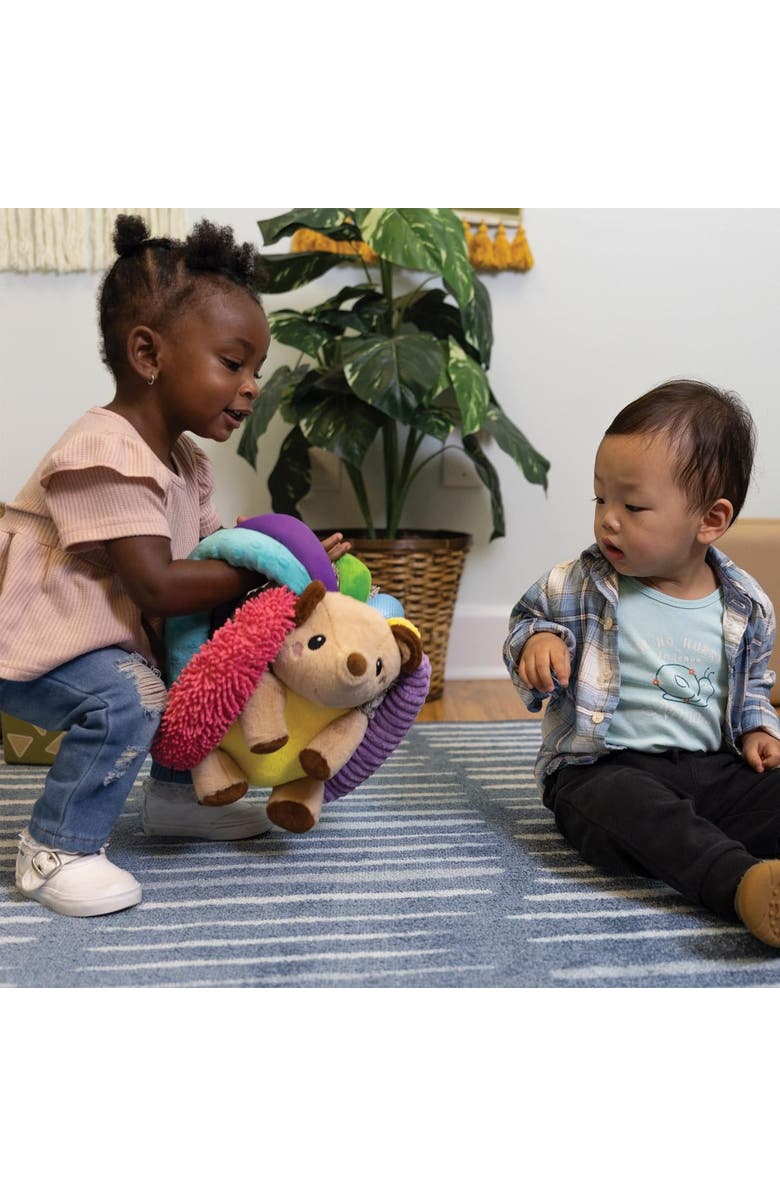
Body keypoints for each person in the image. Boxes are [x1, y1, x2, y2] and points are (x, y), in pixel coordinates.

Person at [0, 214, 349, 918]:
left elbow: (211, 560)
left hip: (95, 630)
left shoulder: (186, 462)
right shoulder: (106, 452)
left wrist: (289, 561)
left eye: (257, 368)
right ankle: (57, 847)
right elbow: (158, 582)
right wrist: (271, 573)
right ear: (148, 354)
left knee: (203, 665)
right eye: (232, 363)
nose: (251, 386)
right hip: (31, 635)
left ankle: (177, 798)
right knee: (125, 699)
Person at [503, 379, 780, 948]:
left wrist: (757, 727)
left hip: (715, 768)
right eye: (601, 499)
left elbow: (753, 683)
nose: (608, 519)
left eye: (633, 506)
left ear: (710, 520)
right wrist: (537, 644)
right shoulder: (577, 582)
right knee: (631, 811)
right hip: (605, 767)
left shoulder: (746, 603)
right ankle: (740, 886)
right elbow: (529, 621)